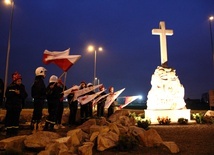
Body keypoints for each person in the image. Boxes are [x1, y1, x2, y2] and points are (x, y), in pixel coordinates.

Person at [5, 72, 28, 137]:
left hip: (17, 106)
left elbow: (25, 95)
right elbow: (7, 95)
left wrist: (19, 93)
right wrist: (14, 93)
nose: (19, 82)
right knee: (9, 118)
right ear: (15, 81)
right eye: (18, 81)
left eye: (20, 80)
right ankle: (8, 132)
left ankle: (15, 131)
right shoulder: (10, 87)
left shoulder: (22, 87)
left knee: (16, 119)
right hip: (10, 106)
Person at [31, 66, 47, 131]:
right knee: (38, 113)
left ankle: (34, 125)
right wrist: (46, 93)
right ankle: (36, 126)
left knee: (36, 112)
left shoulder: (36, 81)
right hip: (39, 100)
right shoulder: (40, 82)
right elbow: (42, 91)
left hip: (37, 99)